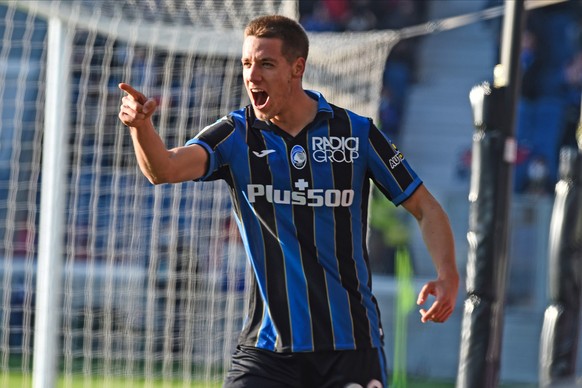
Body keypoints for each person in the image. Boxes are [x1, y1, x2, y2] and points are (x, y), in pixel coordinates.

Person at [118, 14, 459, 388]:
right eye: (247, 63)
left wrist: (447, 275)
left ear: (297, 68)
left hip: (350, 345)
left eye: (266, 64)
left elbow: (425, 207)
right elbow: (163, 169)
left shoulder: (356, 134)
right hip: (268, 350)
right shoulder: (236, 134)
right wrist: (141, 128)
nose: (252, 75)